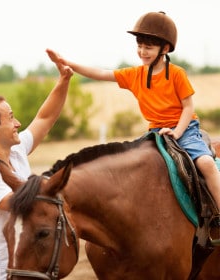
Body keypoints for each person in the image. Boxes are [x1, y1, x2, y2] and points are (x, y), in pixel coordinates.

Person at [47, 11, 220, 243]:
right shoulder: (134, 74)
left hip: (184, 129)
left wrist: (177, 132)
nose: (142, 51)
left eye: (148, 47)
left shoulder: (177, 74)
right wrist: (67, 63)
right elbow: (100, 73)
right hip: (155, 132)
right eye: (139, 45)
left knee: (207, 163)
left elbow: (188, 108)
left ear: (165, 49)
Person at [0, 49, 73, 280]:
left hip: (25, 269)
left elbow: (44, 119)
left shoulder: (15, 150)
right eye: (11, 117)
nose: (18, 123)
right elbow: (27, 204)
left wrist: (64, 80)